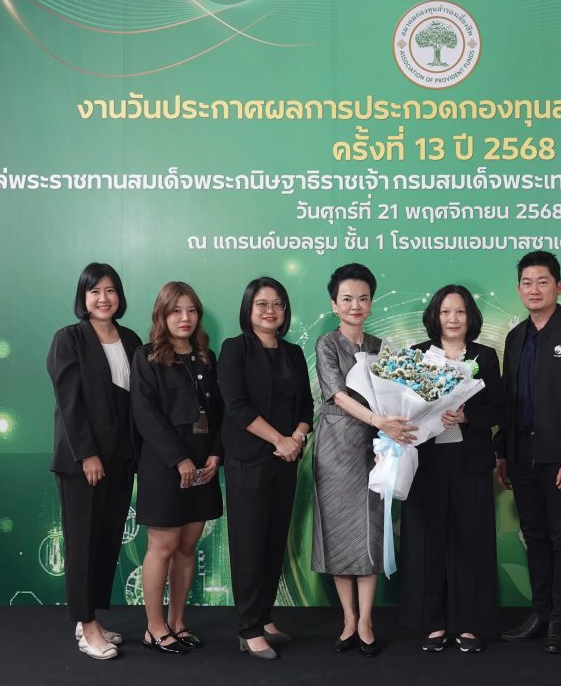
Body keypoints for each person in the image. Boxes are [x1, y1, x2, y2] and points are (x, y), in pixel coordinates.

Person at [496, 251, 561, 654]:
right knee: (535, 537)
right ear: (518, 289)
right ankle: (539, 613)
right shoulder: (515, 337)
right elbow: (509, 400)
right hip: (521, 456)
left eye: (542, 282)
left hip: (560, 459)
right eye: (527, 283)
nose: (534, 289)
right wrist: (503, 452)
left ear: (558, 286)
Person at [311, 263, 416, 658]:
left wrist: (401, 422)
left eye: (363, 298)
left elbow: (400, 396)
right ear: (334, 305)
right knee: (339, 531)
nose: (355, 305)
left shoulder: (382, 347)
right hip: (336, 446)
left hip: (377, 448)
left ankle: (367, 620)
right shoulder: (326, 344)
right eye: (347, 299)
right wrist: (378, 421)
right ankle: (348, 618)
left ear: (371, 304)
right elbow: (337, 395)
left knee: (372, 530)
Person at [401, 285, 503, 654]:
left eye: (460, 311)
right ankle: (432, 624)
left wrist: (466, 416)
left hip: (469, 460)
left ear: (470, 316)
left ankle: (469, 624)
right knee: (427, 542)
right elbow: (401, 408)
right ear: (435, 316)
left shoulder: (484, 356)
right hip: (426, 462)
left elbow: (498, 408)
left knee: (469, 542)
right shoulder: (416, 355)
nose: (453, 319)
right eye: (446, 312)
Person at [48, 262, 141, 660]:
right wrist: (87, 454)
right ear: (83, 297)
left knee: (106, 542)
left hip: (122, 457)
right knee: (83, 543)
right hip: (83, 460)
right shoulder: (68, 339)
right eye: (95, 291)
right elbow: (69, 402)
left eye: (110, 290)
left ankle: (93, 619)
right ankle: (85, 626)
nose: (104, 298)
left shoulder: (131, 339)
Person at [218, 277, 313, 661]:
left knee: (274, 543)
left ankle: (265, 616)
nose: (270, 310)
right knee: (249, 545)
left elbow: (306, 406)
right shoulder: (235, 349)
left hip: (285, 462)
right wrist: (279, 440)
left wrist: (297, 438)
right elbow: (237, 407)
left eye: (277, 304)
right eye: (262, 303)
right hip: (249, 461)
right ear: (249, 309)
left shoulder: (293, 352)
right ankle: (248, 629)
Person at [131, 282, 224, 655]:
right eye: (176, 311)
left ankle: (178, 622)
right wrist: (179, 459)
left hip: (203, 464)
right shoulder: (147, 356)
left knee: (188, 545)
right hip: (164, 464)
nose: (185, 318)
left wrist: (215, 454)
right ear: (162, 314)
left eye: (191, 310)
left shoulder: (207, 357)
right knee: (163, 545)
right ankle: (154, 628)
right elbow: (145, 415)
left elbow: (221, 412)